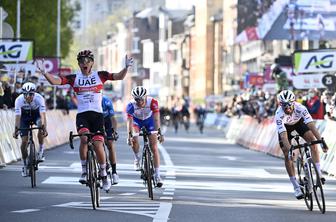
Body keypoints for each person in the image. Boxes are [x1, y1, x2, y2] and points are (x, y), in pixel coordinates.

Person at [36, 49, 133, 192]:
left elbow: (118, 76)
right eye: (81, 61)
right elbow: (57, 81)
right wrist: (45, 73)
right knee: (83, 139)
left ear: (92, 63)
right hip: (83, 115)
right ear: (79, 64)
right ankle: (84, 170)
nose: (84, 63)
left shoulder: (100, 75)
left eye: (87, 61)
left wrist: (125, 68)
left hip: (97, 116)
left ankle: (104, 174)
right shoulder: (74, 78)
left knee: (99, 144)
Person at [275, 90, 328, 199]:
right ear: (280, 105)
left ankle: (318, 172)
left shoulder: (301, 108)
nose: (287, 108)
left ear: (293, 102)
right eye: (283, 105)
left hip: (299, 123)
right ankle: (296, 187)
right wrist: (290, 150)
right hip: (286, 129)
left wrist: (321, 141)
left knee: (313, 142)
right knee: (287, 154)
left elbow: (312, 126)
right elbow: (284, 136)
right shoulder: (278, 114)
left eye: (289, 104)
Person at [126, 86, 164, 187]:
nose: (139, 102)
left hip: (149, 121)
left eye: (141, 99)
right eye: (136, 99)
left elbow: (156, 118)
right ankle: (137, 158)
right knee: (134, 136)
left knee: (154, 147)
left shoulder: (152, 102)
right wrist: (129, 135)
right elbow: (129, 122)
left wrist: (159, 132)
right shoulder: (131, 105)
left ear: (146, 97)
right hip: (136, 122)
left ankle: (157, 175)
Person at [12, 82, 48, 177]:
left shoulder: (39, 98)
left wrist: (44, 128)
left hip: (36, 115)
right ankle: (24, 164)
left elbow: (43, 115)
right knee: (24, 141)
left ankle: (41, 151)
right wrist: (16, 130)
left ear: (34, 93)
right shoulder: (18, 100)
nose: (28, 97)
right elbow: (18, 117)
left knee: (41, 125)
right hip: (24, 117)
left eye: (31, 94)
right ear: (23, 94)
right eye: (26, 94)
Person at [102, 95, 119, 184]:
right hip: (95, 120)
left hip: (107, 120)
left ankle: (114, 172)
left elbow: (113, 119)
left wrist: (114, 132)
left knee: (110, 144)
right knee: (96, 143)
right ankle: (101, 165)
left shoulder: (106, 101)